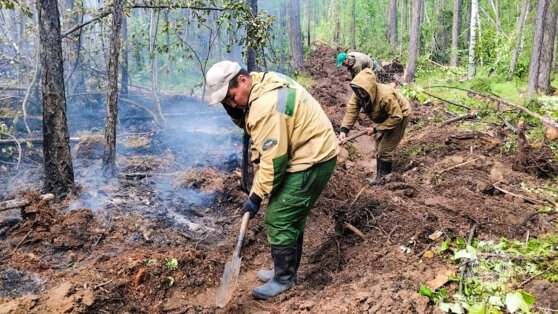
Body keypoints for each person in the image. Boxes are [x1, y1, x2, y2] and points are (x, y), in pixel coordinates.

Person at [206, 61, 339, 300]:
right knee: (289, 213)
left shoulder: (265, 106)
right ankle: (284, 269)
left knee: (279, 216)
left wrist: (255, 198)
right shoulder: (261, 82)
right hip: (307, 148)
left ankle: (284, 278)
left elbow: (273, 163)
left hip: (312, 158)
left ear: (243, 80)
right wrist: (236, 112)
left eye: (231, 96)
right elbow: (262, 139)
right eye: (225, 102)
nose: (231, 103)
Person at [337, 68, 410, 185]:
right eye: (358, 89)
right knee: (378, 148)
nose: (360, 92)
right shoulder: (358, 93)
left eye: (363, 89)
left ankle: (384, 182)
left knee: (384, 150)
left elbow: (397, 117)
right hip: (386, 117)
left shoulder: (385, 95)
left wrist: (376, 129)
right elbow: (351, 111)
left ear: (370, 87)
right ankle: (379, 179)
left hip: (399, 116)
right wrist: (343, 131)